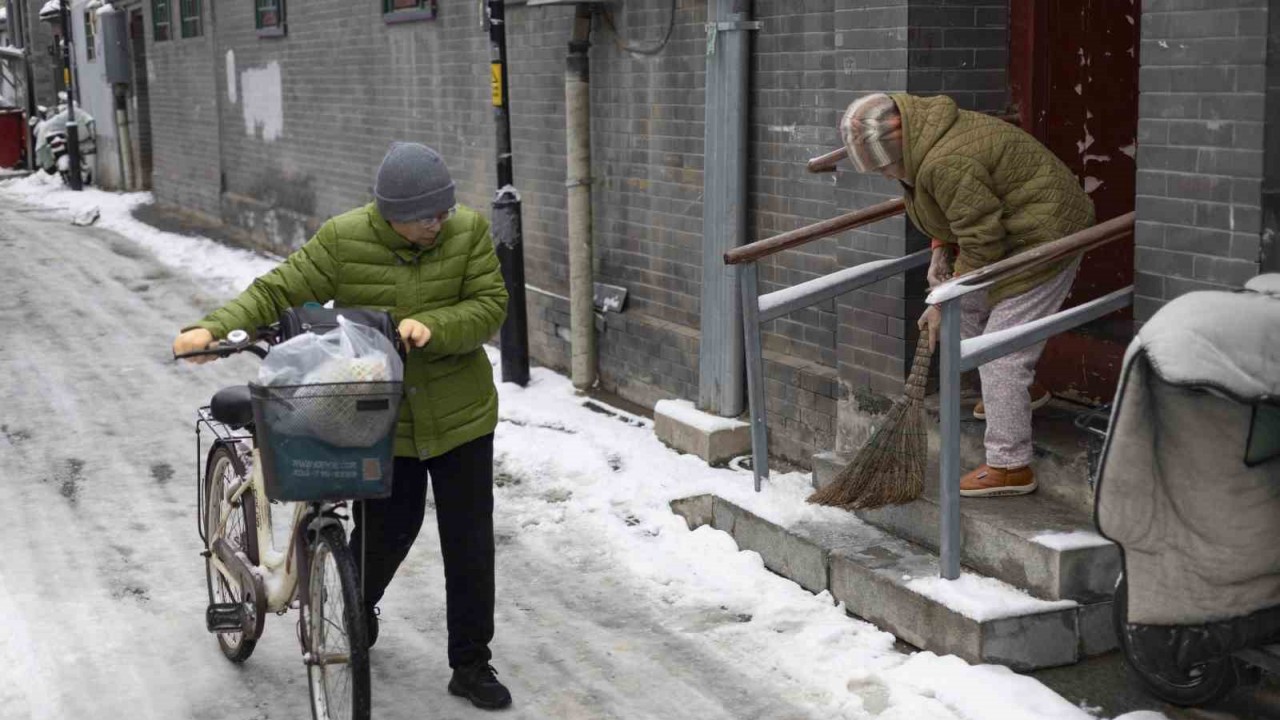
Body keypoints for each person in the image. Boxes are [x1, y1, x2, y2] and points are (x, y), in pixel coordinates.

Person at [173, 142, 513, 710]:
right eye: (424, 216)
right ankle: (357, 610)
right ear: (389, 215)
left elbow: (489, 304)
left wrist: (433, 325)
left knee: (470, 542)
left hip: (461, 418)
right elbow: (278, 288)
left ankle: (471, 662)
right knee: (386, 532)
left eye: (443, 211)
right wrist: (213, 329)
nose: (438, 223)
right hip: (380, 418)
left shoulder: (468, 233)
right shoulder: (344, 239)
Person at [838, 93, 1095, 498]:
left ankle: (1010, 466)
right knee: (966, 321)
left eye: (887, 167)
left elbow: (981, 237)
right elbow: (956, 212)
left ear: (903, 146)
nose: (887, 177)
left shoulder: (945, 161)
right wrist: (940, 251)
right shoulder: (927, 144)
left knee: (1001, 357)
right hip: (1008, 237)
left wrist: (943, 299)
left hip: (1046, 239)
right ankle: (1021, 395)